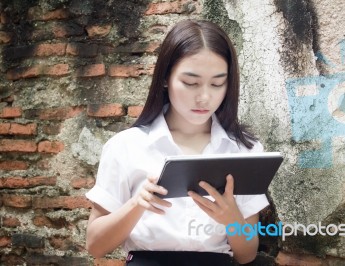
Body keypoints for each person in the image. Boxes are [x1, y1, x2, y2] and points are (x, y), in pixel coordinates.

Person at [85, 19, 269, 266]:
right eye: (190, 83)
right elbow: (95, 246)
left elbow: (247, 255)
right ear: (165, 78)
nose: (204, 97)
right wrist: (136, 205)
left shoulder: (244, 151)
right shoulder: (126, 146)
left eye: (217, 83)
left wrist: (232, 219)